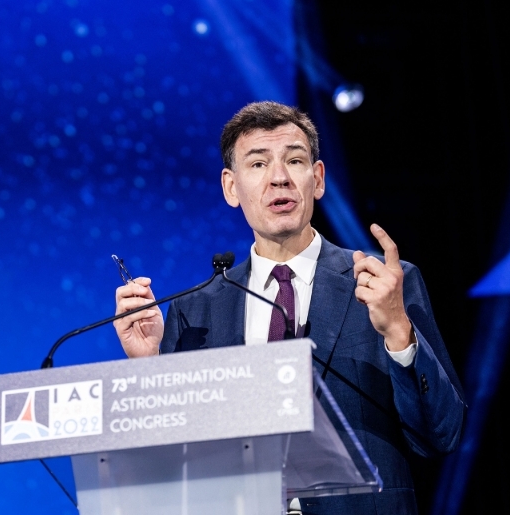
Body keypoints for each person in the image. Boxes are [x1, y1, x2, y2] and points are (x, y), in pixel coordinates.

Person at [113, 101, 465, 514]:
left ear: (316, 179)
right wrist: (150, 367)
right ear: (231, 187)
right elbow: (172, 468)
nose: (279, 178)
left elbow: (442, 435)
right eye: (258, 164)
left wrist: (399, 335)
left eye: (294, 160)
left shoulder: (382, 285)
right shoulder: (196, 311)